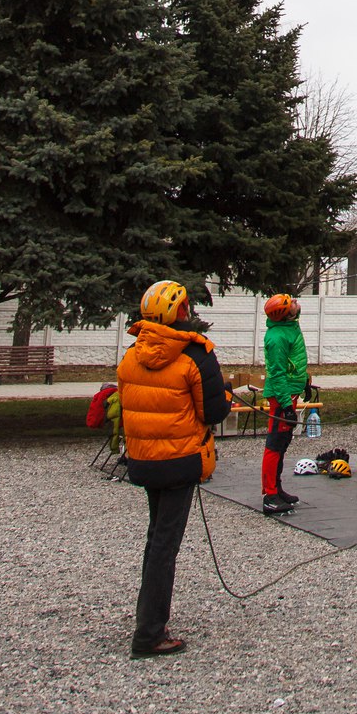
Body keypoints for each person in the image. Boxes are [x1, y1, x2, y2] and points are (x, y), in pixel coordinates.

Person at [116, 278, 230, 659]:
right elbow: (214, 412)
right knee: (165, 544)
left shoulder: (132, 353)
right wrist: (223, 391)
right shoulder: (195, 355)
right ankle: (148, 634)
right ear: (180, 312)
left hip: (146, 461)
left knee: (156, 539)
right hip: (180, 461)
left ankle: (149, 620)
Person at [261, 291, 311, 518]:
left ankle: (277, 488)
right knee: (274, 443)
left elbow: (296, 361)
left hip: (291, 392)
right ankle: (269, 495)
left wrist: (305, 381)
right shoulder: (278, 337)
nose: (295, 303)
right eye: (290, 303)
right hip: (282, 396)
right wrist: (287, 407)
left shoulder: (290, 327)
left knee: (283, 443)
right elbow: (278, 373)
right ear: (284, 313)